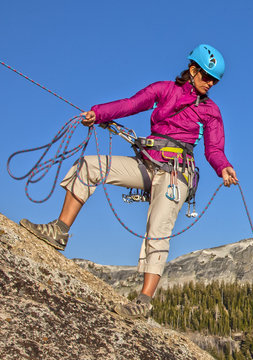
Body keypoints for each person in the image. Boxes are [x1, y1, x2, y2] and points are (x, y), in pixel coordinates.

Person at [19, 44, 238, 319]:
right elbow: (131, 104)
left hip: (176, 174)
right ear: (193, 70)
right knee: (89, 165)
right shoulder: (164, 90)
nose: (210, 83)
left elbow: (214, 149)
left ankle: (143, 302)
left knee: (158, 227)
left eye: (214, 80)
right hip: (146, 165)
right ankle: (59, 231)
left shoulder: (211, 110)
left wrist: (224, 167)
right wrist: (98, 113)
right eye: (206, 76)